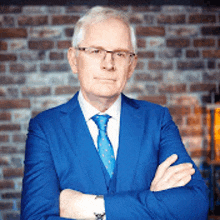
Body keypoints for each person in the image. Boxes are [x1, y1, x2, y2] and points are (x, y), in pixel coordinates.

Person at [21, 6, 209, 220]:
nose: (108, 64)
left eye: (120, 54)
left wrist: (88, 207)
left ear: (131, 65)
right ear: (74, 59)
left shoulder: (157, 120)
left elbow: (195, 205)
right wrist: (152, 199)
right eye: (95, 51)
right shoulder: (45, 128)